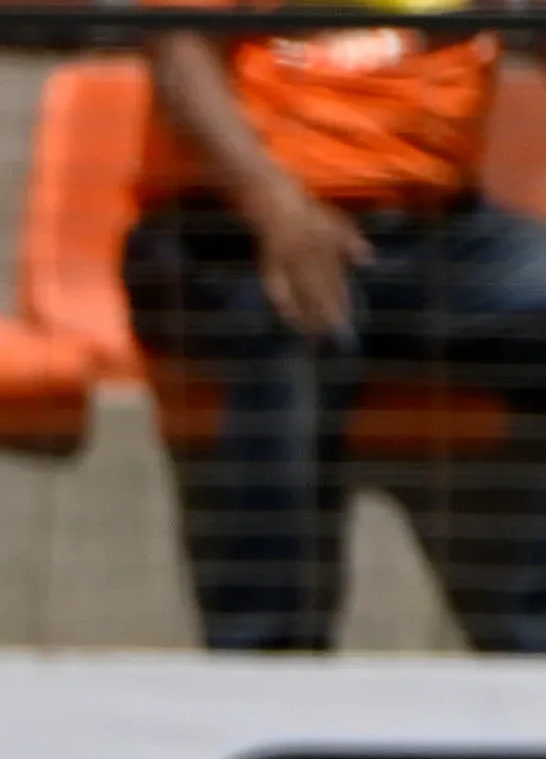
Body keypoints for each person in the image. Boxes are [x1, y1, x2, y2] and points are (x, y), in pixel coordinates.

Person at [127, 9, 546, 649]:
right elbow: (178, 47)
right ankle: (266, 668)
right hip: (231, 221)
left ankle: (530, 658)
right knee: (293, 320)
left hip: (438, 231)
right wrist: (275, 207)